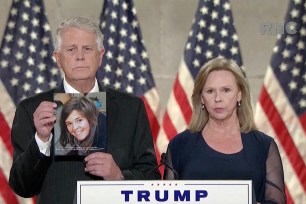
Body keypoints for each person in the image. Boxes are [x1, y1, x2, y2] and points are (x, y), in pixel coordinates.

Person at [9, 17, 161, 204]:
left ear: (101, 56)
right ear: (57, 58)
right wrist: (41, 140)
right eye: (71, 49)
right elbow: (22, 187)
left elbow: (152, 178)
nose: (80, 56)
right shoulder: (31, 109)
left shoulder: (131, 108)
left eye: (87, 49)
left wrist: (119, 176)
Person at [164, 57, 286, 204]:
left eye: (226, 90)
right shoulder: (180, 145)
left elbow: (276, 201)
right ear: (201, 98)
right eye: (210, 91)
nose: (218, 99)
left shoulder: (263, 146)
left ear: (239, 94)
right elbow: (167, 199)